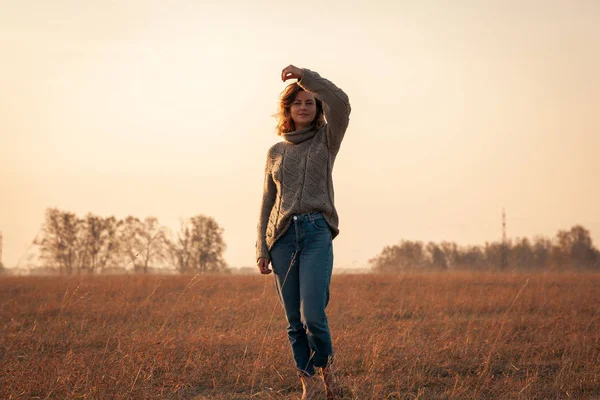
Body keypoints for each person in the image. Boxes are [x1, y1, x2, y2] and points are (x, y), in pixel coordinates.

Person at [256, 65, 351, 400]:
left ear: (317, 108)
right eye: (298, 102)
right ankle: (308, 384)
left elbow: (341, 103)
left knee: (313, 316)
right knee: (294, 321)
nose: (304, 107)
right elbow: (268, 202)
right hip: (281, 239)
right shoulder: (275, 153)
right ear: (288, 110)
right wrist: (262, 248)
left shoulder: (327, 139)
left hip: (315, 233)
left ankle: (328, 371)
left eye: (310, 102)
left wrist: (306, 75)